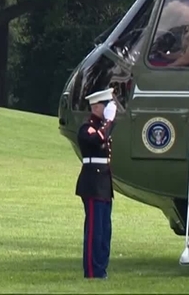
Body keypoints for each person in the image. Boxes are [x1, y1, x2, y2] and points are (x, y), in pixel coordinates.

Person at [75, 87, 117, 279]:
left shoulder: (102, 126)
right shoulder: (87, 128)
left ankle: (102, 269)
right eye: (105, 104)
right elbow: (94, 140)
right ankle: (92, 271)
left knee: (105, 230)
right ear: (96, 107)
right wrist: (108, 122)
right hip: (92, 182)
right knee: (95, 231)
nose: (109, 108)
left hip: (104, 182)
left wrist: (109, 122)